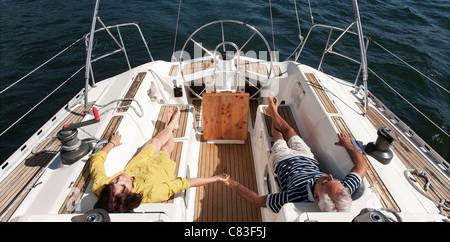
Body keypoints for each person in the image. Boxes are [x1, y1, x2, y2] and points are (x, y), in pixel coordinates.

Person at [221, 95, 368, 213]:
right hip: (307, 158)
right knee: (289, 130)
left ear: (316, 197)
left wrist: (229, 182)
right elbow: (362, 165)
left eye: (326, 182)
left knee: (278, 135)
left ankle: (273, 112)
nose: (329, 176)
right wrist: (348, 145)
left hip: (283, 161)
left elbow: (257, 201)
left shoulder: (295, 197)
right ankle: (274, 112)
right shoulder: (343, 189)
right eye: (334, 179)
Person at [89, 107, 228, 213]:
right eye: (124, 186)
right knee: (166, 149)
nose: (121, 178)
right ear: (131, 195)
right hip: (158, 170)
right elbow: (184, 183)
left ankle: (171, 125)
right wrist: (215, 178)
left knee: (155, 141)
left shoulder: (102, 187)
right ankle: (171, 125)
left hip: (136, 165)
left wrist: (112, 144)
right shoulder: (151, 193)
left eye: (114, 181)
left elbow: (96, 160)